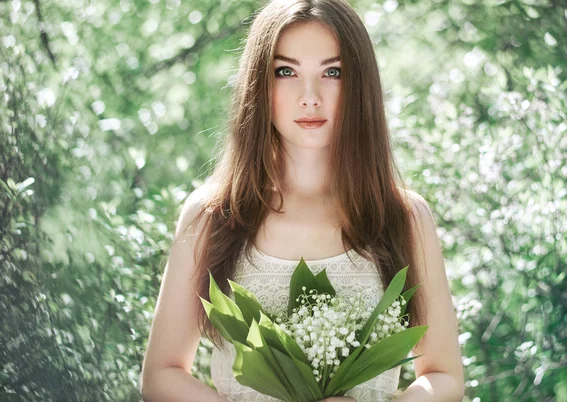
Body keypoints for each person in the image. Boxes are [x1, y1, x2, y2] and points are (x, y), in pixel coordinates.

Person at [140, 0, 464, 401]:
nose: (310, 97)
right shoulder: (212, 215)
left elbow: (445, 377)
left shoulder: (403, 217)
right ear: (259, 82)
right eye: (285, 71)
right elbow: (162, 375)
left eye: (332, 72)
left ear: (359, 83)